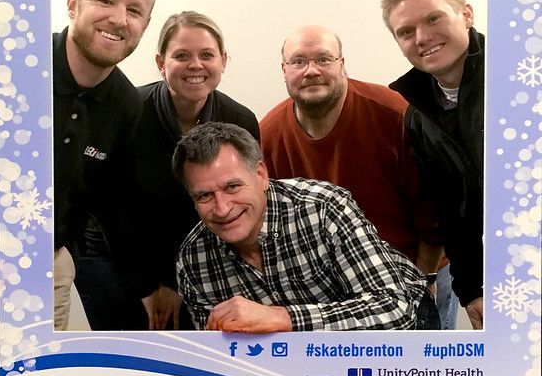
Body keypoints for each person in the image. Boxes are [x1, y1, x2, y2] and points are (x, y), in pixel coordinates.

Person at [173, 123, 440, 333]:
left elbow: (395, 311)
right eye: (204, 196)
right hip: (296, 359)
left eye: (232, 187)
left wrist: (283, 318)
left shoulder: (324, 207)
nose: (222, 208)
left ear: (261, 175)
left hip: (409, 325)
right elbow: (221, 357)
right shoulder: (193, 260)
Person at [259, 24, 444, 318]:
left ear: (341, 64)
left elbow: (434, 208)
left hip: (418, 266)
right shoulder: (268, 134)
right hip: (329, 288)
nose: (311, 71)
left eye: (323, 59)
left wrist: (425, 281)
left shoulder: (393, 113)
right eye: (298, 61)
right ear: (284, 69)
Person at [133, 11, 260, 329]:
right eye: (181, 55)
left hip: (204, 256)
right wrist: (149, 284)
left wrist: (179, 283)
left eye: (207, 55)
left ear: (224, 61)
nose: (195, 65)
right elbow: (114, 210)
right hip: (123, 254)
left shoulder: (240, 120)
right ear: (161, 62)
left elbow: (239, 203)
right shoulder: (129, 111)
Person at [53, 0, 163, 330]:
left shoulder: (128, 104)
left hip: (50, 263)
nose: (118, 19)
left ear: (145, 25)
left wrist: (145, 286)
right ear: (73, 5)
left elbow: (112, 204)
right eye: (105, 0)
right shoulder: (16, 60)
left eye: (134, 10)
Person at [381, 0, 484, 329]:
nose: (422, 38)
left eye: (433, 18)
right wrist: (472, 290)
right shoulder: (412, 108)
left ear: (466, 15)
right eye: (406, 32)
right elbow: (450, 209)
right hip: (490, 286)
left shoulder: (521, 77)